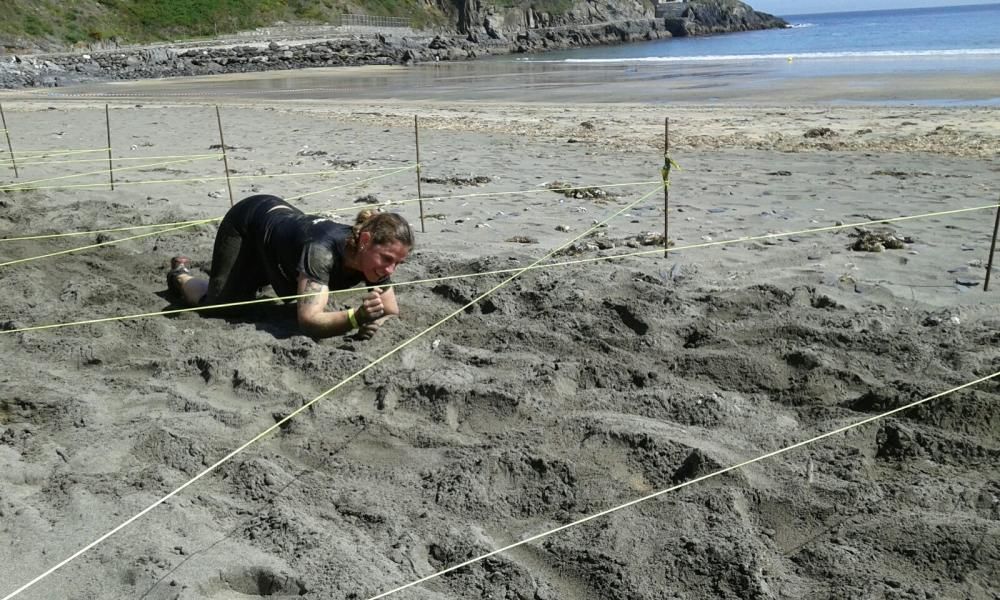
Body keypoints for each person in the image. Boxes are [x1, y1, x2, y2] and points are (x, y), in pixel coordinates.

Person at [167, 194, 413, 340]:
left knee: (263, 283)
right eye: (387, 259)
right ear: (366, 242)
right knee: (220, 306)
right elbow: (308, 321)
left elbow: (390, 310)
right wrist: (356, 317)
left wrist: (375, 321)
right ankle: (180, 275)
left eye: (398, 263)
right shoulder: (321, 252)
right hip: (248, 223)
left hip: (280, 237)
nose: (390, 270)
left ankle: (249, 274)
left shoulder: (372, 258)